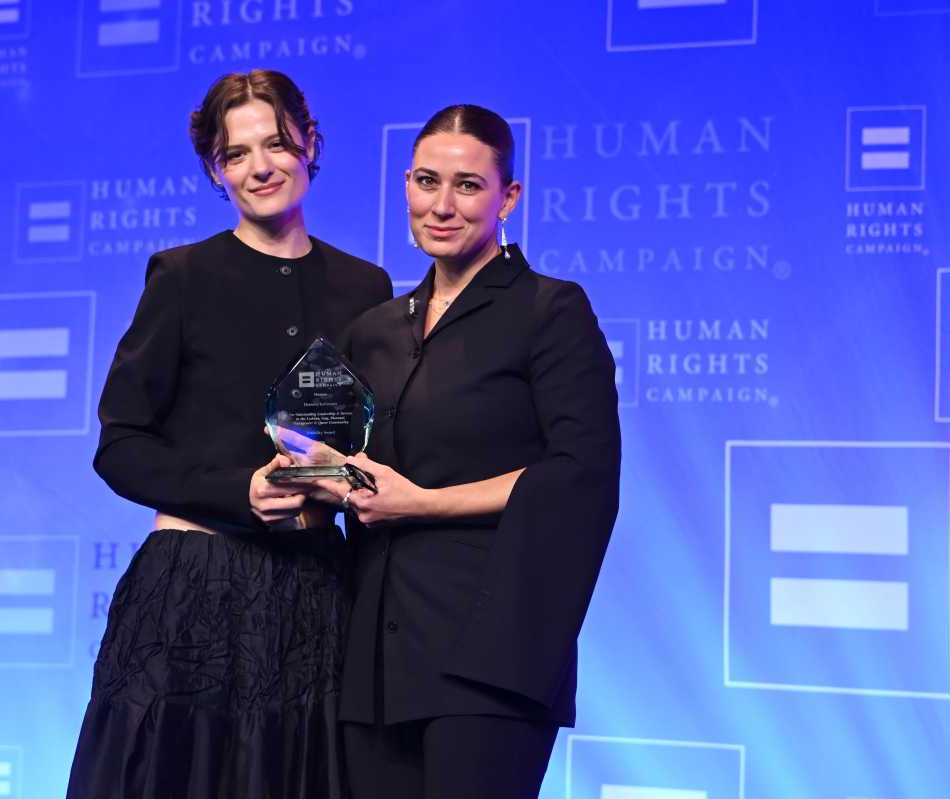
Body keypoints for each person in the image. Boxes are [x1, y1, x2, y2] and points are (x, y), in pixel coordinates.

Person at [65, 70, 392, 799]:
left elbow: (366, 440)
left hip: (317, 591)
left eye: (276, 143)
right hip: (195, 590)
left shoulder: (365, 288)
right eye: (235, 154)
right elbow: (121, 445)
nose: (259, 167)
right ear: (215, 170)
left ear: (310, 145)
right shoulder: (183, 276)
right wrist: (236, 492)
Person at [317, 105, 620, 798]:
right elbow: (340, 464)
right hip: (373, 659)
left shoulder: (550, 311)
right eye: (428, 181)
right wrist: (305, 479)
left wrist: (421, 504)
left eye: (468, 186)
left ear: (508, 198)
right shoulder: (372, 330)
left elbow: (582, 473)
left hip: (492, 652)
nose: (442, 205)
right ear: (405, 185)